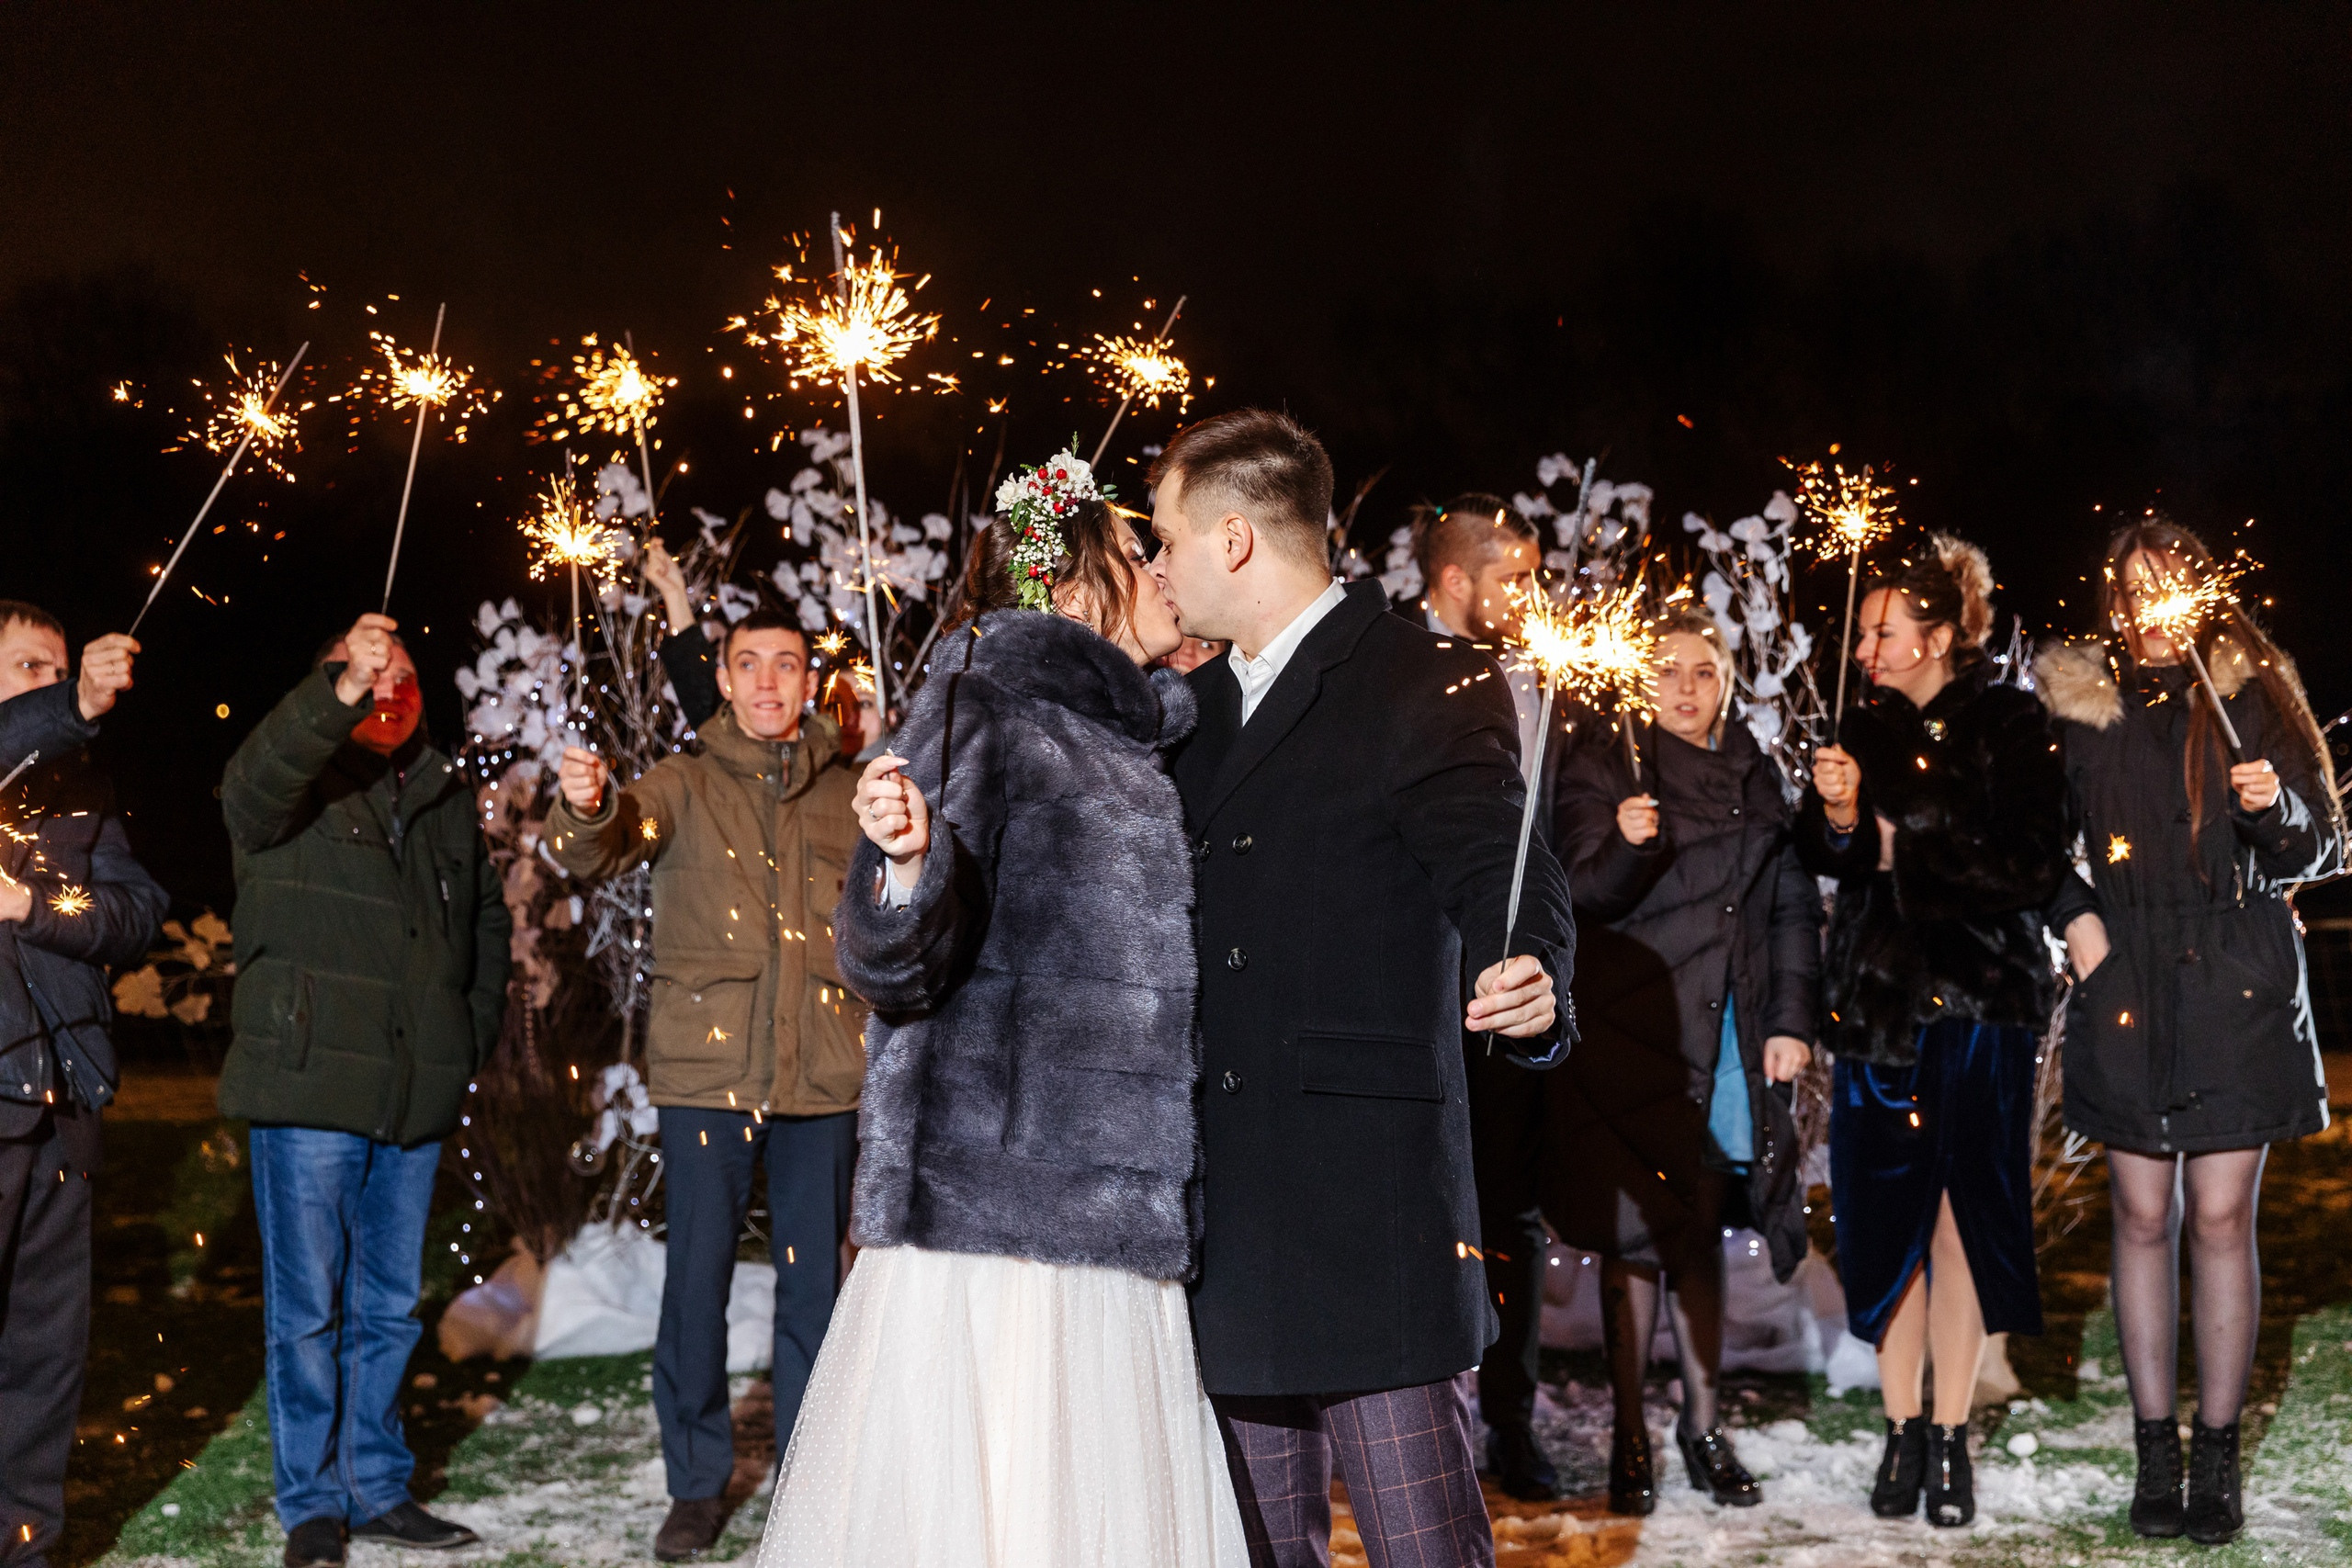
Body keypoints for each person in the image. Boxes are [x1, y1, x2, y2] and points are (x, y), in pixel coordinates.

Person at [758, 454, 1246, 1567]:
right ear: (1073, 588)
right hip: (998, 1229)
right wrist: (904, 862)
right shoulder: (981, 700)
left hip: (1114, 1218)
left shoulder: (1136, 741)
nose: (1161, 569)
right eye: (1135, 551)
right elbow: (889, 965)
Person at [1150, 410, 1575, 1568]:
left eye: (1168, 539)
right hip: (1220, 1223)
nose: (1160, 567)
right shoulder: (1185, 709)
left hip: (1366, 1222)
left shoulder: (1420, 677)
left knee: (1425, 1551)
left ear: (1232, 539)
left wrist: (1526, 965)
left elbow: (1500, 858)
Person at [2036, 518, 2344, 1546]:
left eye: (2164, 582)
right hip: (2127, 977)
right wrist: (2078, 922)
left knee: (2217, 1220)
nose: (2145, 605)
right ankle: (2153, 1448)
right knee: (2137, 1216)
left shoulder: (2249, 687)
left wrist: (2275, 808)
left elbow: (2323, 841)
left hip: (2234, 979)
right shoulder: (2076, 704)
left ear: (2201, 589)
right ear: (2110, 603)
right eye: (2128, 588)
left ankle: (2216, 1457)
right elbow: (2032, 843)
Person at [550, 607, 866, 1562]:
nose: (769, 683)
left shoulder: (849, 790)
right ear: (722, 681)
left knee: (816, 1295)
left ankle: (808, 1480)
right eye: (748, 666)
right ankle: (696, 1485)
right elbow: (603, 843)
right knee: (694, 1285)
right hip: (708, 1080)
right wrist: (588, 802)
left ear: (810, 681)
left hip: (824, 1082)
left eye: (787, 665)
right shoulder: (679, 782)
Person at [219, 614, 511, 1568]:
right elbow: (251, 785)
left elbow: (484, 925)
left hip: (411, 1096)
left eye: (402, 670)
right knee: (308, 1311)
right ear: (333, 682)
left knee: (388, 1306)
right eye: (367, 671)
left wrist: (460, 1040)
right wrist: (338, 687)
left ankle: (376, 1486)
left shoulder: (442, 793)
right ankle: (311, 1503)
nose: (390, 683)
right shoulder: (292, 787)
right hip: (309, 1091)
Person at [1797, 536, 2069, 1529]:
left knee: (1961, 1230)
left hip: (1984, 1016)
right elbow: (1818, 853)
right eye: (1863, 630)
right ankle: (1901, 1425)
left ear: (1942, 632)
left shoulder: (2012, 721)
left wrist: (1897, 843)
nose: (1866, 645)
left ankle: (1950, 1435)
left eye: (1884, 629)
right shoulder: (1855, 726)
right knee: (1888, 1236)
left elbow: (2031, 865)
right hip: (1877, 1021)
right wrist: (1834, 818)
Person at [1547, 612, 1820, 1514]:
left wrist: (1789, 1019)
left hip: (1730, 1037)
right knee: (1634, 1239)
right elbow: (1582, 892)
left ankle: (1700, 1430)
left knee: (1698, 1228)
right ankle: (1630, 1436)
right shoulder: (1606, 762)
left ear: (1727, 680)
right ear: (1640, 682)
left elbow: (1787, 911)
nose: (1686, 687)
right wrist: (1625, 845)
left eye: (1704, 671)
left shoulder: (1754, 772)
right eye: (1667, 670)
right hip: (1638, 1035)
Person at [1414, 492, 1576, 1499]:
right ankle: (1416, 1418)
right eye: (1514, 577)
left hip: (1514, 998)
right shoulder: (1386, 674)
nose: (1533, 596)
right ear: (1455, 579)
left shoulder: (1544, 681)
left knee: (1513, 1214)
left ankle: (1509, 1424)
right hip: (1414, 993)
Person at [0, 606, 161, 1568]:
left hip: (65, 1104)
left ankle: (27, 1551)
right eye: (26, 668)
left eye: (57, 669)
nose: (48, 683)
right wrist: (76, 701)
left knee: (44, 1361)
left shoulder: (80, 789)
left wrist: (36, 906)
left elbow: (134, 913)